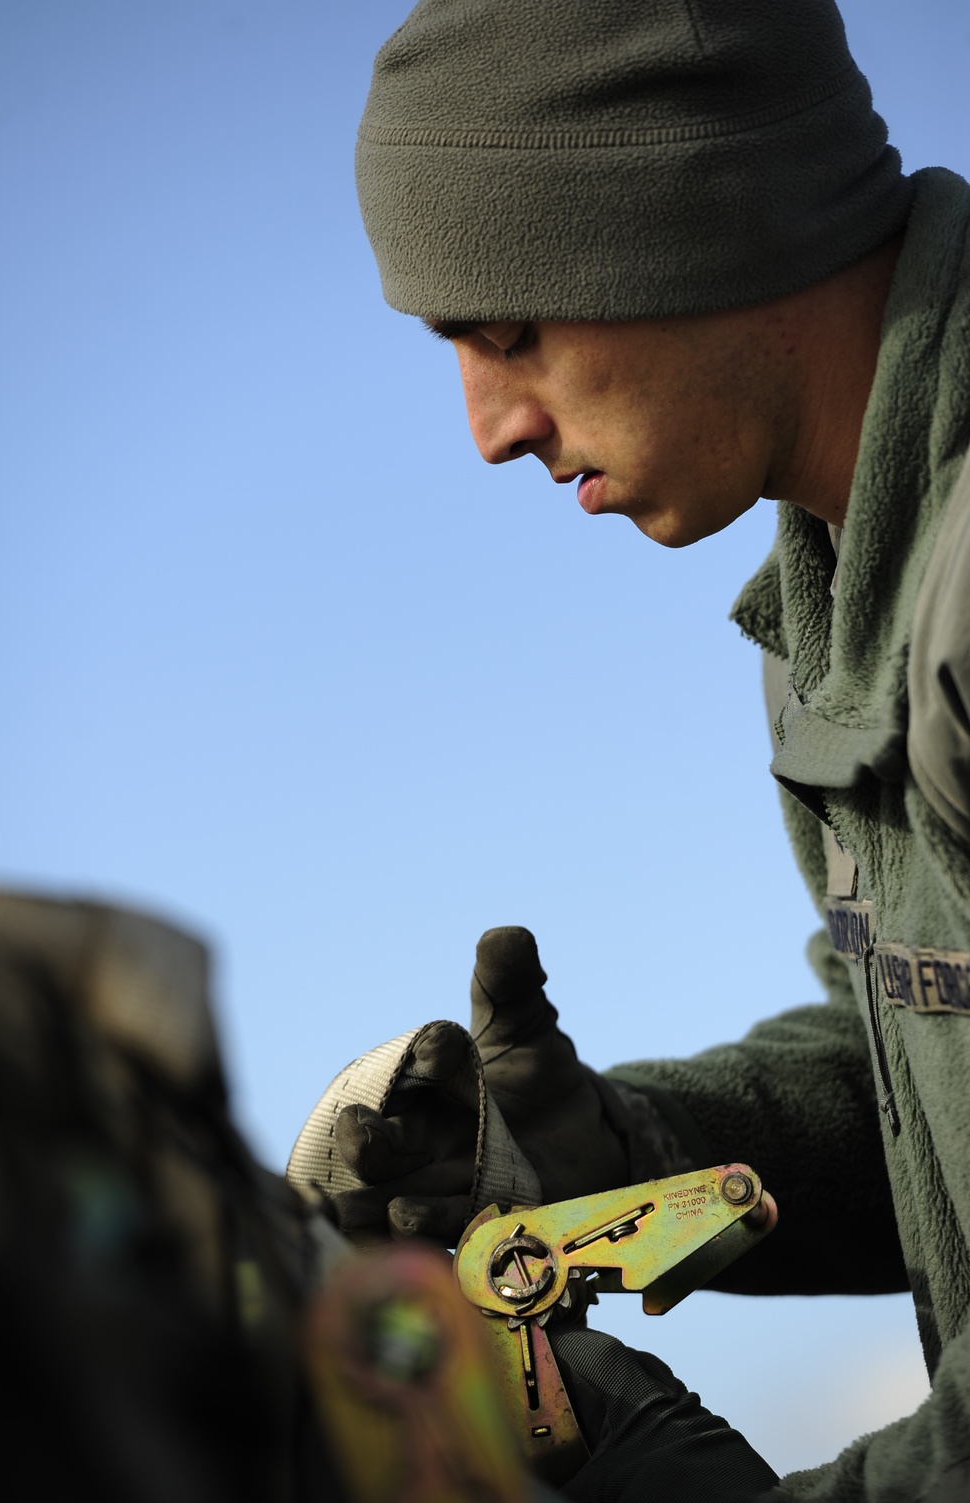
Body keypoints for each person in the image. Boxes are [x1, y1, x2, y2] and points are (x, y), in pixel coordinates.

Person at [312, 0, 970, 1498]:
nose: (489, 428)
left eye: (509, 330)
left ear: (697, 224)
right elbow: (928, 1085)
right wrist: (614, 1157)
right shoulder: (844, 597)